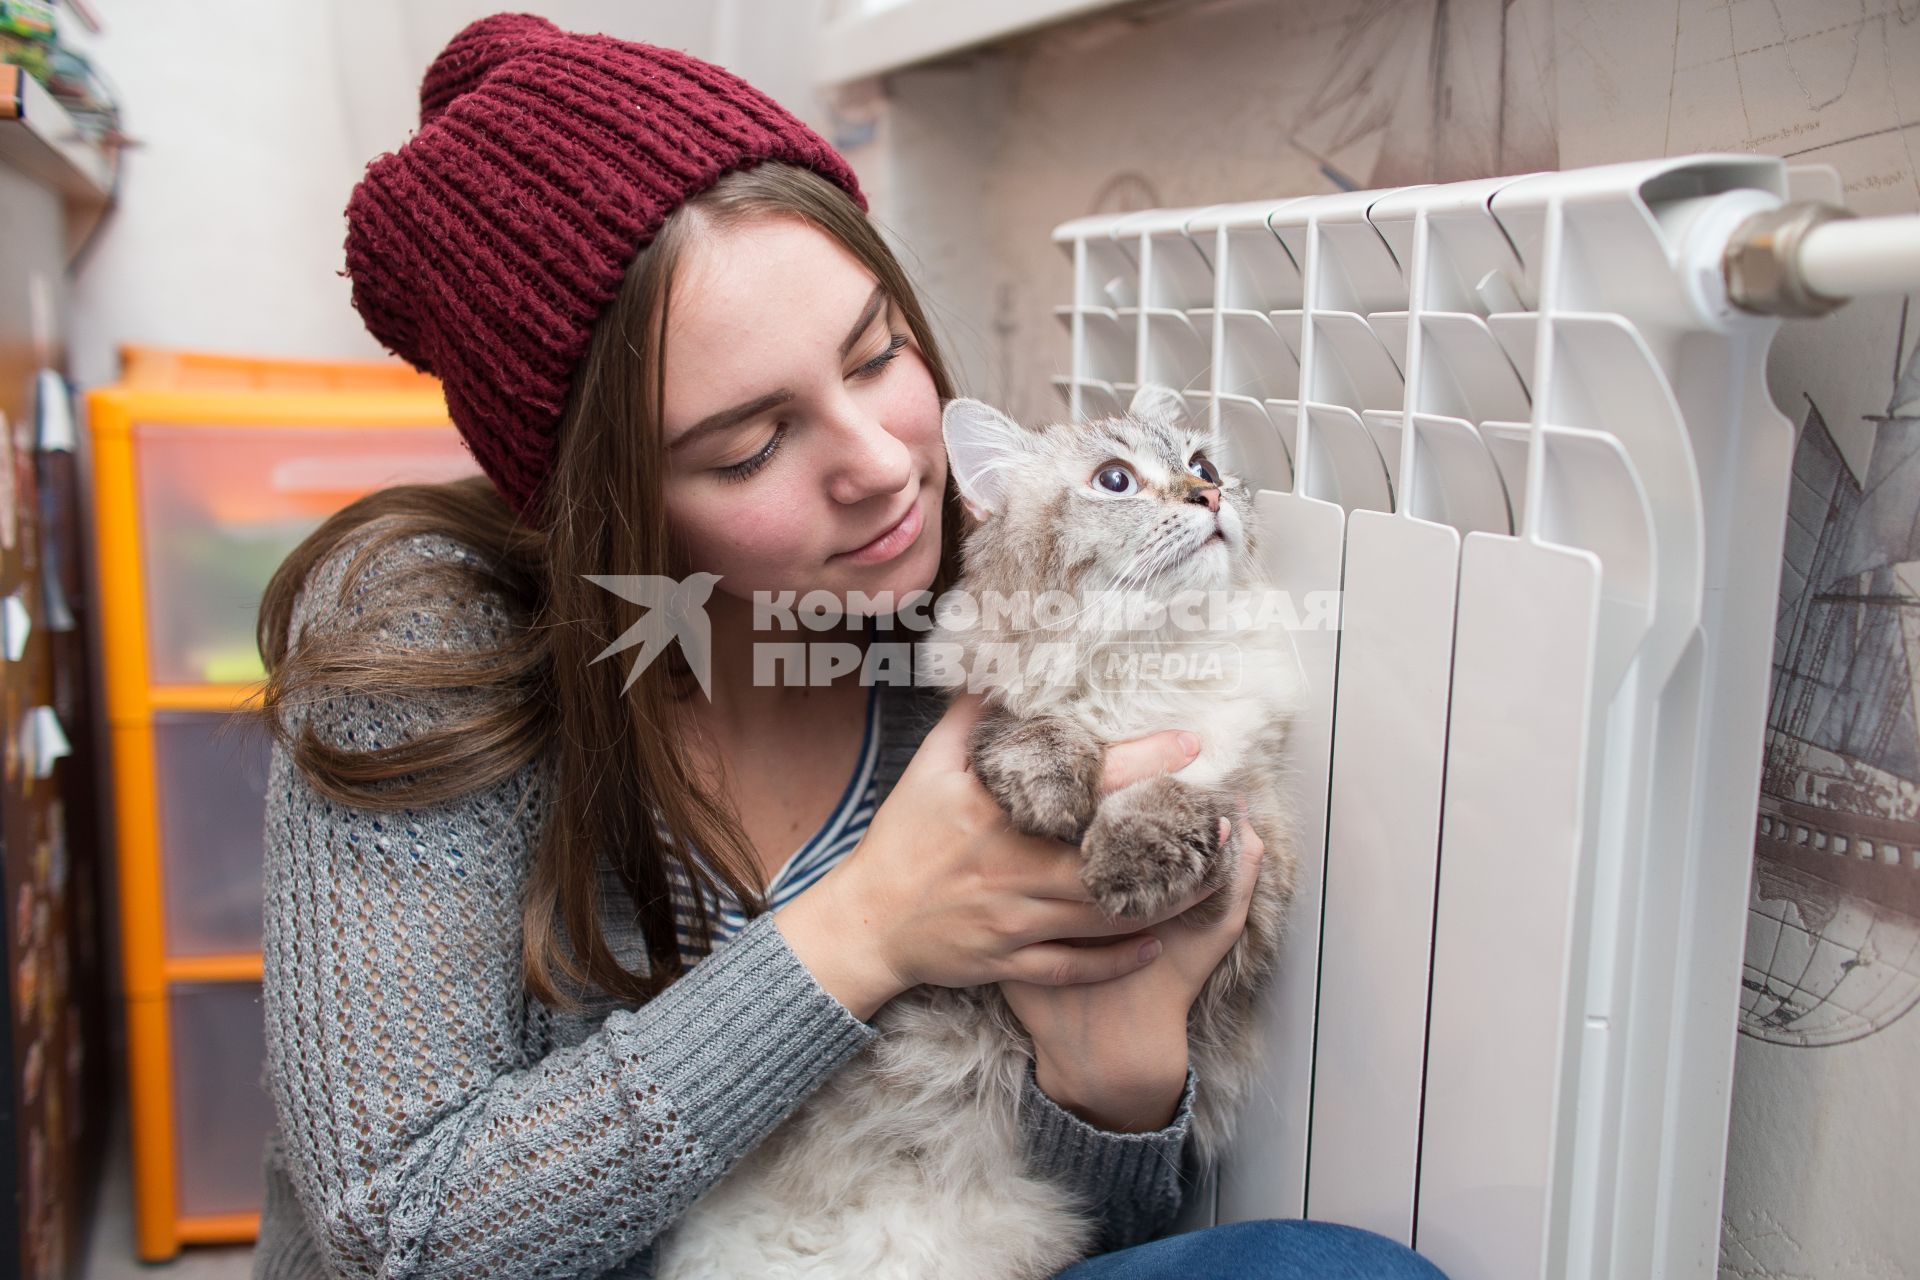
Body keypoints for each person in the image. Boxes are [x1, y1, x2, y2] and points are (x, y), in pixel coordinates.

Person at [247, 13, 1447, 1280]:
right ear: (605, 500)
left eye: (878, 354)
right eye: (749, 447)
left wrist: (1115, 1070)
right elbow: (402, 1233)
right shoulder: (425, 644)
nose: (884, 468)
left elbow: (1067, 1219)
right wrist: (872, 923)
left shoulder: (972, 611)